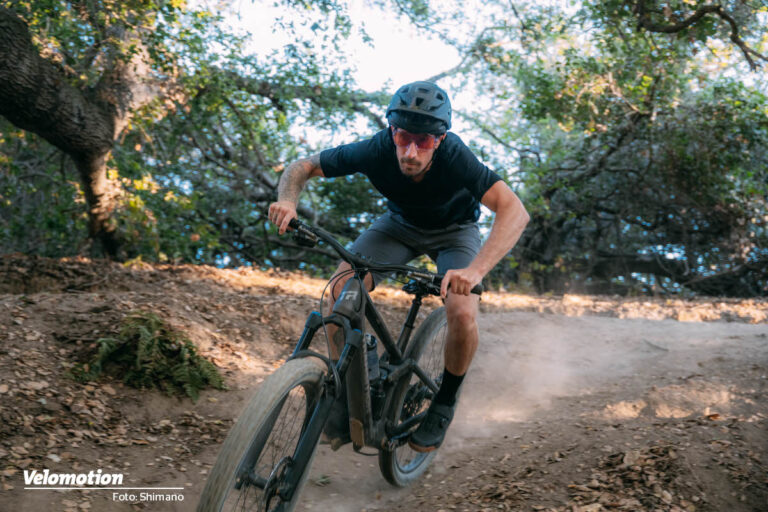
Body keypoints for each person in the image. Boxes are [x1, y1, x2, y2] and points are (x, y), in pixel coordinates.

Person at [268, 81, 529, 453]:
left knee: (462, 312)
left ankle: (444, 402)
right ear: (392, 131)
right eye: (403, 137)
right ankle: (356, 387)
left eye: (423, 141)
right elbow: (304, 166)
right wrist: (287, 201)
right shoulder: (376, 149)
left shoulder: (456, 156)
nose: (410, 151)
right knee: (339, 296)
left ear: (439, 139)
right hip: (398, 227)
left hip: (455, 233)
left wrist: (475, 272)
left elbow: (514, 210)